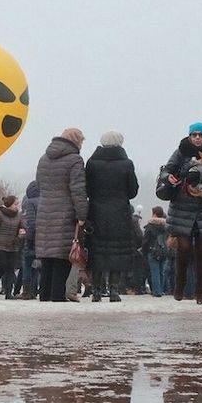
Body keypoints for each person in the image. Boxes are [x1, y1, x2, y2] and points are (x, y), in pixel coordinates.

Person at [162, 123, 202, 304]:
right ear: (189, 136)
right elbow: (166, 170)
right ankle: (179, 284)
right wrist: (171, 177)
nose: (197, 138)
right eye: (194, 134)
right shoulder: (180, 152)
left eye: (201, 135)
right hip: (182, 207)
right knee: (183, 248)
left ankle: (201, 289)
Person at [84, 130, 139, 302]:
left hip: (96, 212)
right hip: (119, 213)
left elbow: (86, 187)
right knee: (118, 252)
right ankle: (114, 291)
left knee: (97, 251)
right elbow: (133, 190)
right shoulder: (127, 163)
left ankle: (97, 291)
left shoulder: (92, 163)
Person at [35, 129, 89, 302]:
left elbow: (39, 183)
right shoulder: (75, 160)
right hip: (65, 212)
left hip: (44, 212)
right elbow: (78, 190)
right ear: (75, 141)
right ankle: (57, 296)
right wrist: (82, 215)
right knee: (62, 256)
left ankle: (44, 294)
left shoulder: (43, 159)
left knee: (47, 258)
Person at [0, 195, 26, 299]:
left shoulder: (19, 215)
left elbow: (23, 228)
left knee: (10, 269)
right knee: (2, 268)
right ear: (9, 204)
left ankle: (8, 293)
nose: (17, 206)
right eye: (15, 204)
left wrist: (20, 236)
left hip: (14, 247)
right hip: (1, 246)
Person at [140, 206, 168, 297]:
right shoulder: (165, 226)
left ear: (154, 214)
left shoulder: (150, 226)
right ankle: (162, 289)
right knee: (161, 271)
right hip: (164, 250)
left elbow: (146, 240)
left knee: (154, 271)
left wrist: (143, 250)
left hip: (152, 250)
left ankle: (157, 291)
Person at [19, 180, 40, 299]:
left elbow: (31, 223)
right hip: (43, 239)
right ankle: (35, 289)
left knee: (27, 264)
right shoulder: (45, 202)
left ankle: (27, 292)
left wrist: (29, 238)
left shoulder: (30, 202)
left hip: (32, 239)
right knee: (37, 266)